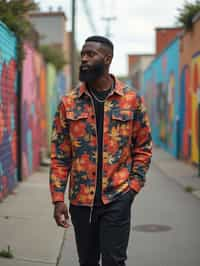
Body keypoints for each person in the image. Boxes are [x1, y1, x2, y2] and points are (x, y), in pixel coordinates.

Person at [49, 35, 152, 266]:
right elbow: (60, 155)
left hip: (117, 198)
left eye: (90, 54)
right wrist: (58, 199)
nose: (83, 59)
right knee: (86, 261)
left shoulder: (131, 100)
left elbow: (143, 147)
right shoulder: (68, 102)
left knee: (114, 261)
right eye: (82, 54)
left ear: (107, 59)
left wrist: (132, 189)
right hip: (80, 202)